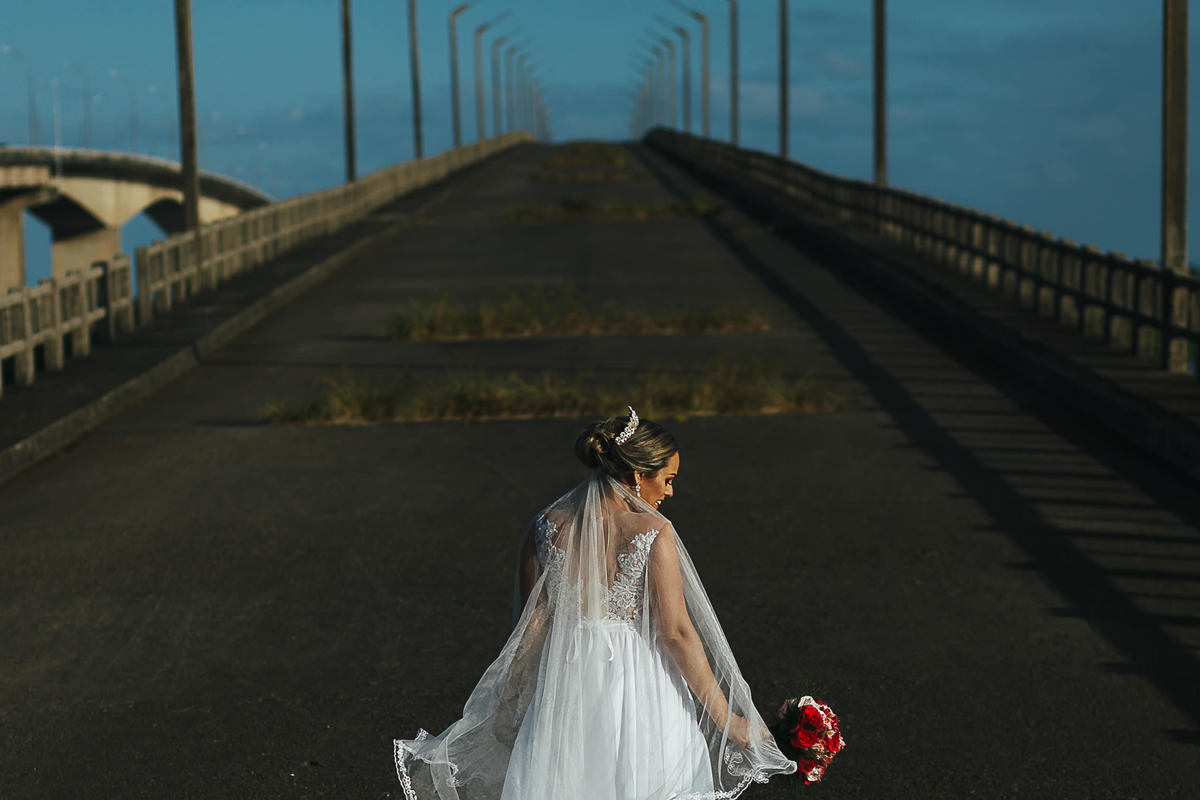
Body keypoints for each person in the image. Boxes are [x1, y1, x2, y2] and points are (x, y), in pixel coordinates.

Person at [394, 408, 797, 799]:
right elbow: (676, 632)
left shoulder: (547, 524)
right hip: (642, 686)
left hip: (567, 685)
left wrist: (513, 702)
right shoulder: (654, 531)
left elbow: (531, 626)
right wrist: (730, 721)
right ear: (639, 476)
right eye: (668, 479)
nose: (671, 491)